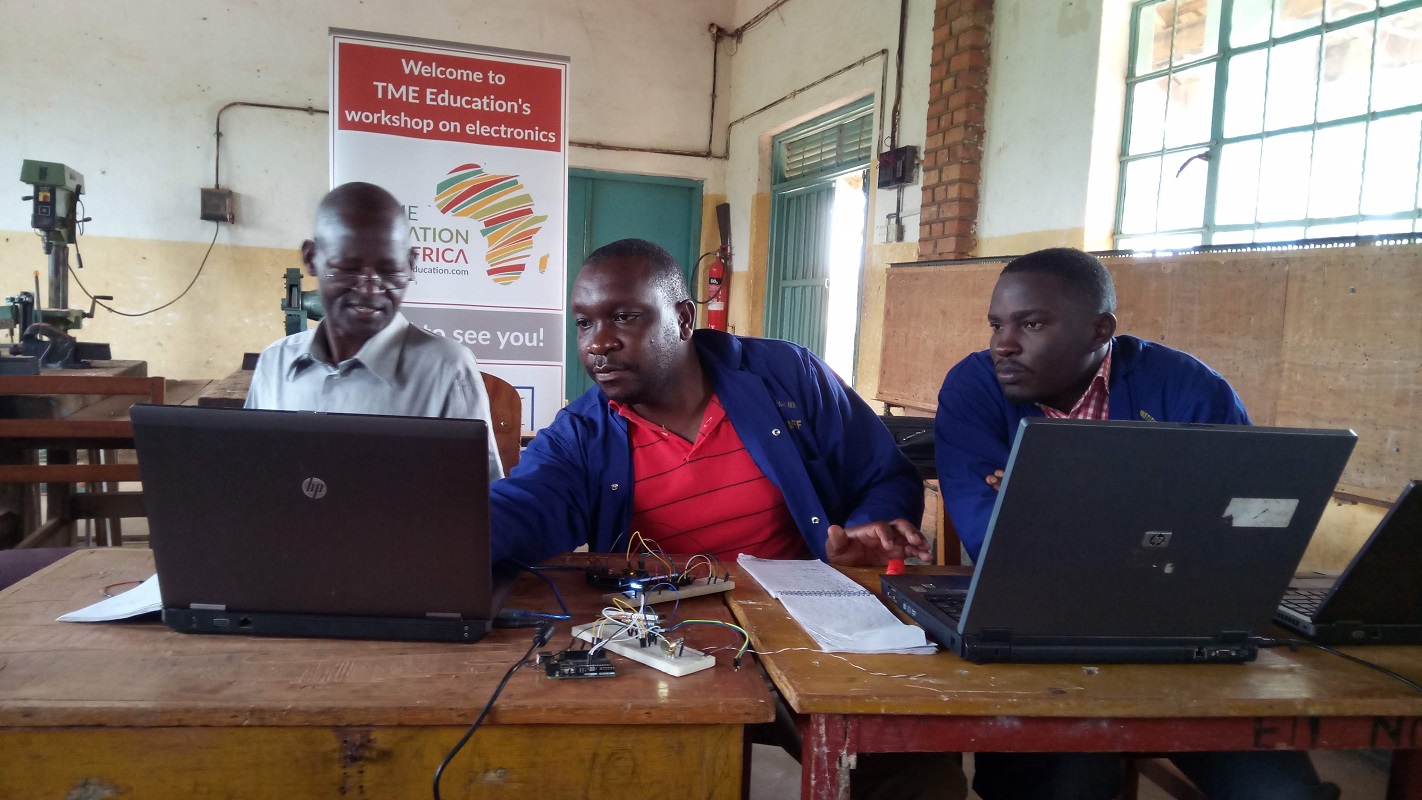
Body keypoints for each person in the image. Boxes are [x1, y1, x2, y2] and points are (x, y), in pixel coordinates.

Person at [491, 238, 960, 800]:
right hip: (666, 634)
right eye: (584, 323)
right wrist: (446, 531)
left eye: (624, 317)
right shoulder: (583, 433)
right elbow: (525, 507)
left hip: (805, 621)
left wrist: (872, 525)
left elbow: (883, 474)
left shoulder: (787, 378)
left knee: (908, 755)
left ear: (685, 318)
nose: (600, 343)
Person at [934, 247, 1338, 800]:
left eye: (1031, 324)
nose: (1003, 343)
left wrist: (1053, 504)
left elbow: (1243, 537)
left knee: (1280, 795)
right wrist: (1144, 524)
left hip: (1180, 633)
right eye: (997, 324)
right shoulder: (974, 389)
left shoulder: (1189, 388)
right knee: (1073, 785)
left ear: (1101, 329)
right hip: (1039, 633)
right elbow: (994, 543)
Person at [245, 182, 503, 480]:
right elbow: (252, 474)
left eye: (390, 270)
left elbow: (479, 501)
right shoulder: (275, 364)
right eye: (348, 267)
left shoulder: (446, 370)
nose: (369, 288)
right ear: (311, 258)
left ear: (411, 265)